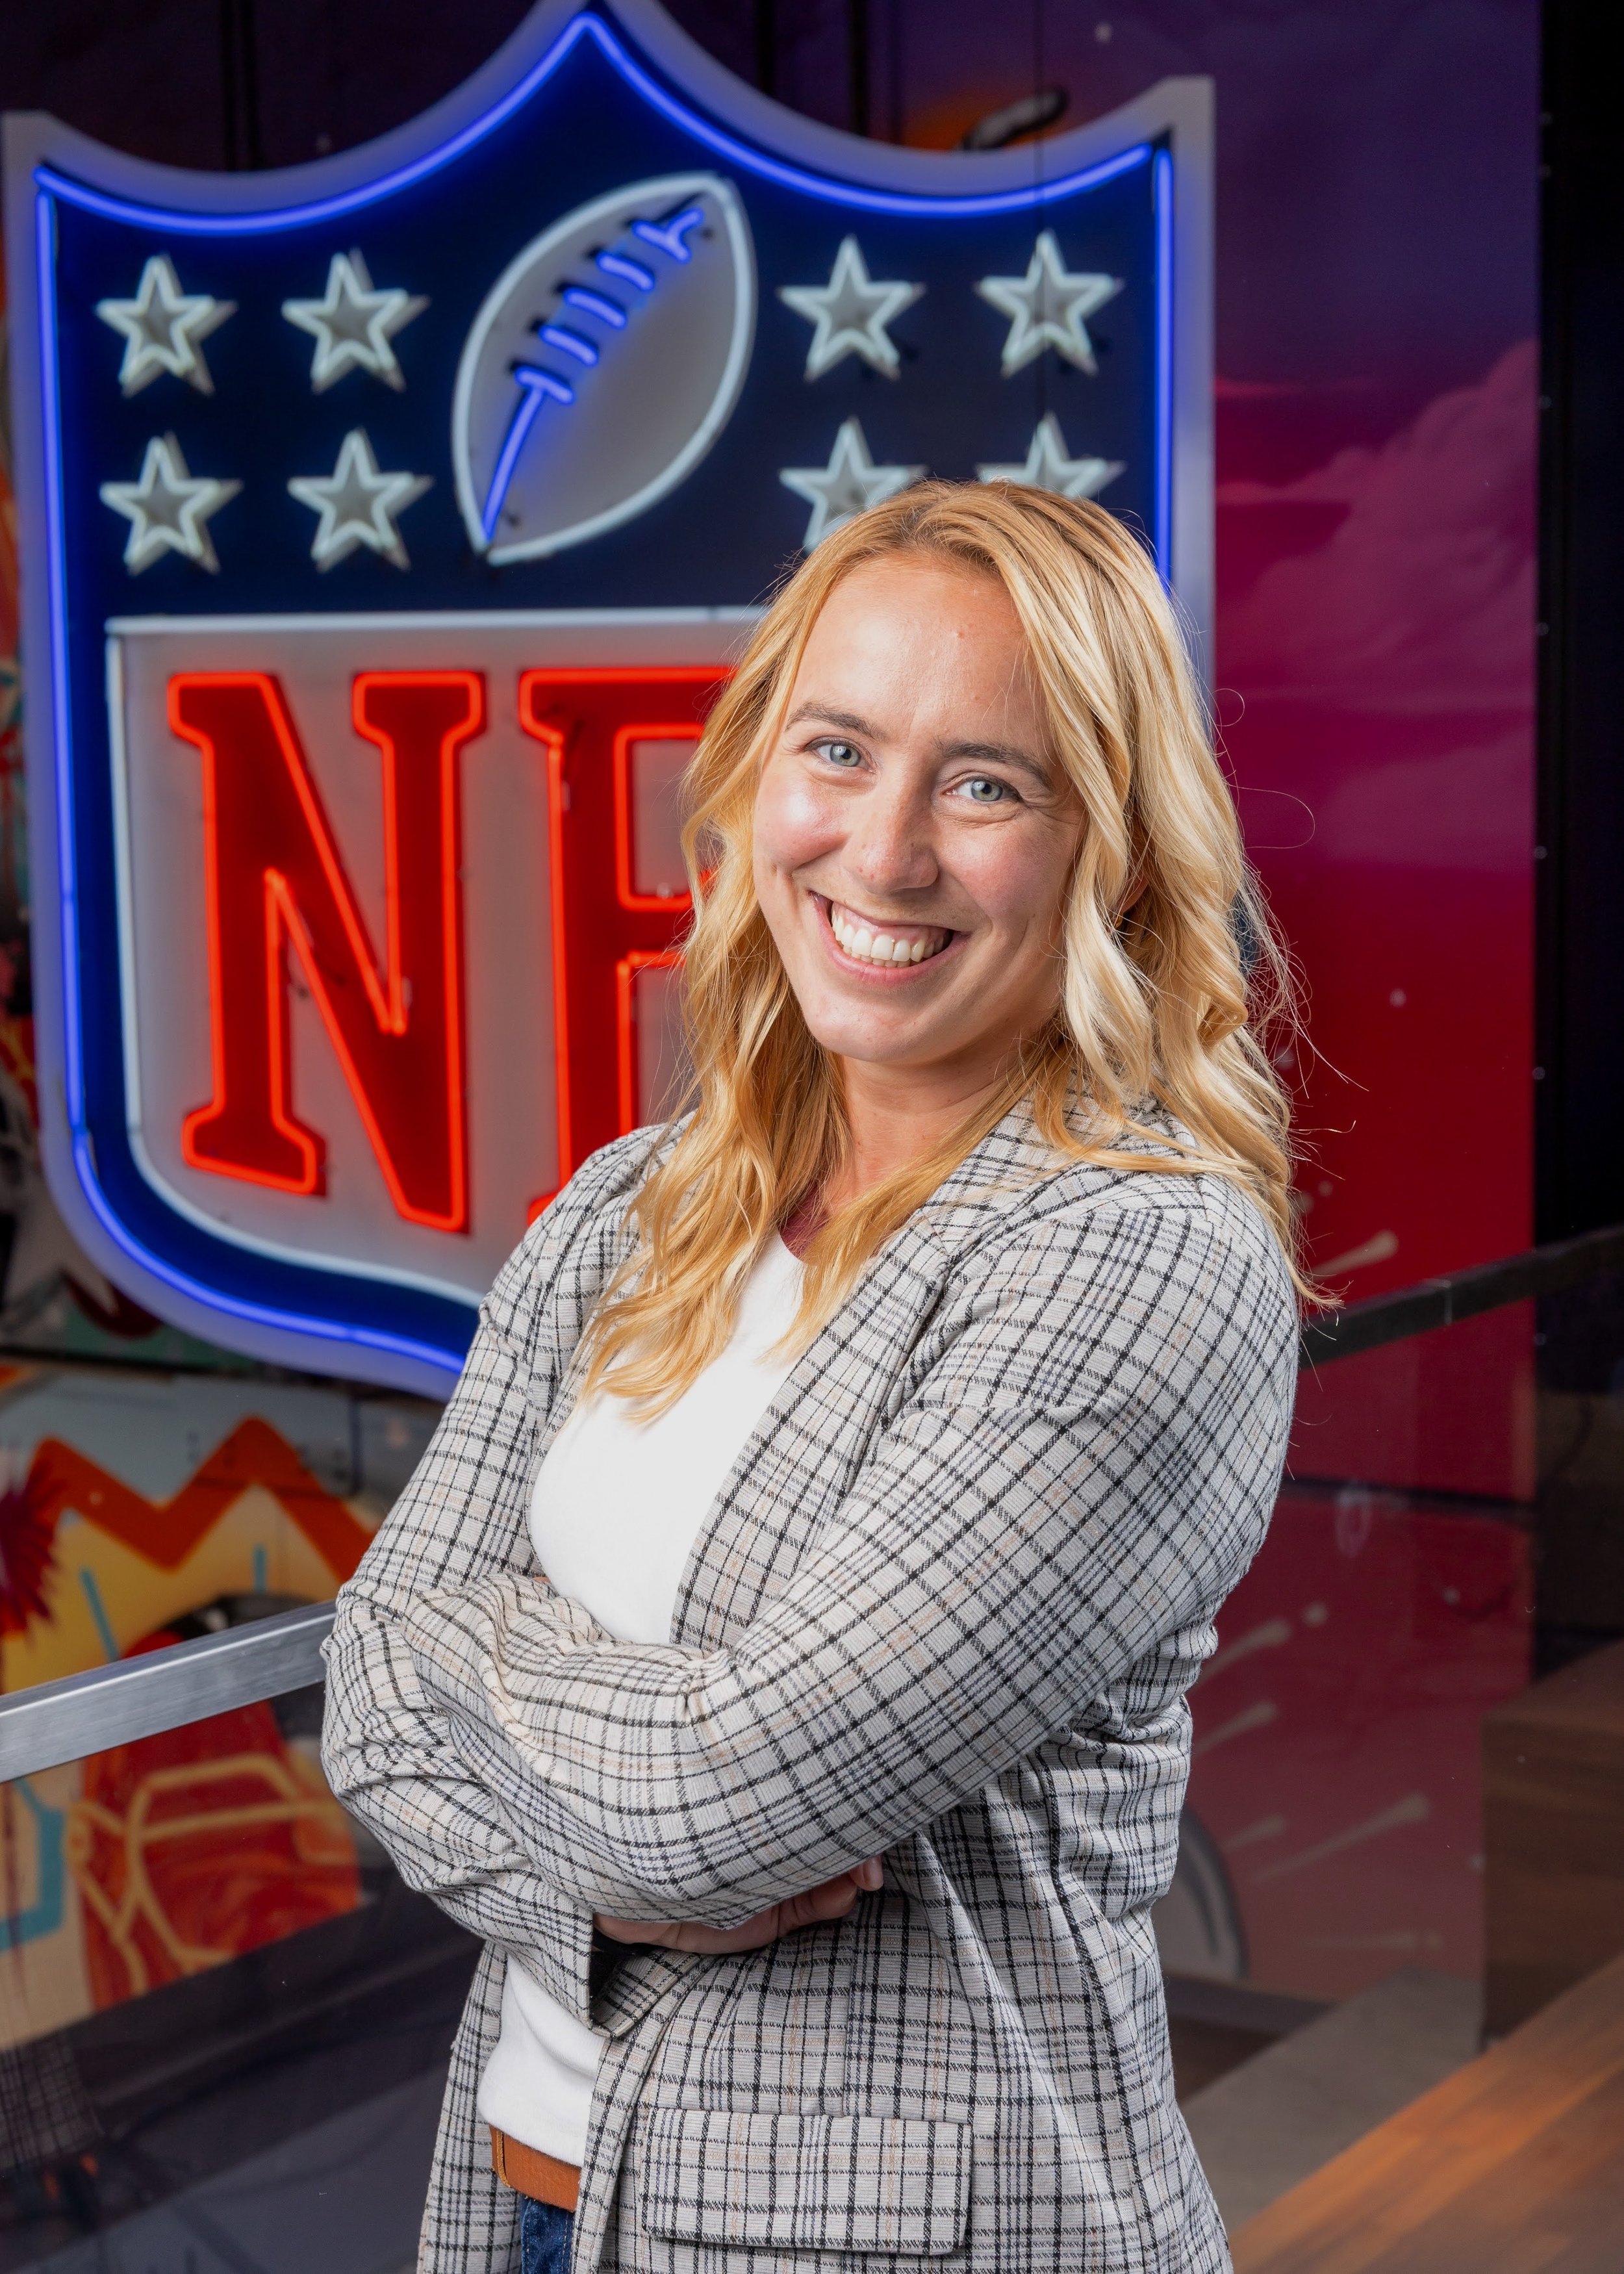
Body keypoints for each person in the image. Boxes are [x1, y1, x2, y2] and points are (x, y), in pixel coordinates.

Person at [323, 482, 1301, 2274]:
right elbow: (364, 1695)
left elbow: (720, 1806)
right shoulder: (642, 1200)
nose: (886, 846)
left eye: (985, 782)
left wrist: (459, 1639)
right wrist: (586, 1832)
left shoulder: (1134, 1255)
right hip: (528, 2201)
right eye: (837, 748)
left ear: (1115, 846)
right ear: (757, 771)